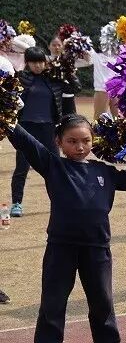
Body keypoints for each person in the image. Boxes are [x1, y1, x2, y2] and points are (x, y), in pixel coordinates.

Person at [7, 114, 126, 343]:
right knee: (53, 303)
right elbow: (25, 141)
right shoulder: (53, 165)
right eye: (72, 141)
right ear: (59, 142)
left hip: (97, 246)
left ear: (94, 140)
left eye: (85, 141)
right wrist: (7, 116)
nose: (80, 147)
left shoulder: (104, 171)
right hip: (61, 247)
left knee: (102, 300)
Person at [11, 46, 63, 218]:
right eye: (34, 62)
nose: (38, 65)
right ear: (27, 63)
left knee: (55, 166)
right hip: (26, 128)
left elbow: (75, 87)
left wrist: (68, 72)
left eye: (41, 62)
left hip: (48, 128)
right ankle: (17, 203)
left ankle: (59, 201)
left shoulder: (53, 78)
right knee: (22, 167)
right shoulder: (20, 78)